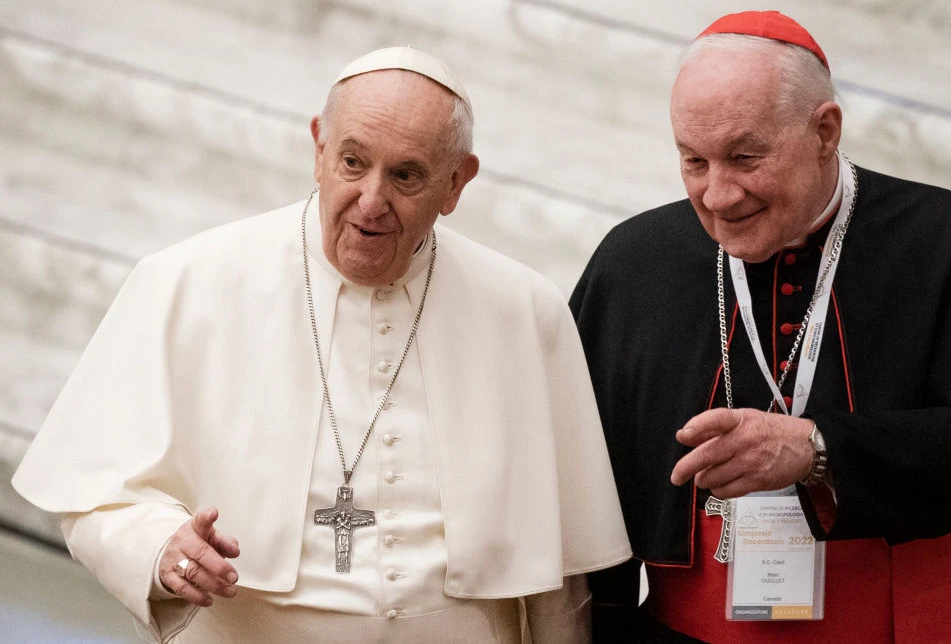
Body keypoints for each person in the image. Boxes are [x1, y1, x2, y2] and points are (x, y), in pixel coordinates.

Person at [13, 46, 631, 643]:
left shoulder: (522, 310)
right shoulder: (188, 282)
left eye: (407, 175)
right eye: (353, 162)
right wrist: (159, 549)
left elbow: (561, 574)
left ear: (456, 183)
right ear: (318, 148)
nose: (370, 202)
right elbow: (92, 499)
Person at [571, 11, 951, 643]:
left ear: (825, 131)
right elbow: (581, 474)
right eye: (694, 161)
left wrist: (818, 450)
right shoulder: (633, 261)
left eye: (745, 157)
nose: (719, 195)